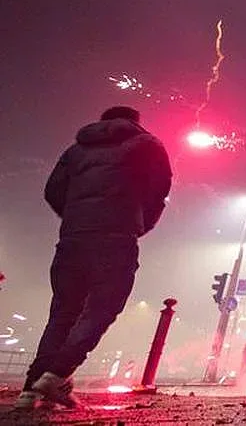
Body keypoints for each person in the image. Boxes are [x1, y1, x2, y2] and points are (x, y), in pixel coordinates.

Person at [15, 106, 172, 410]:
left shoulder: (75, 151)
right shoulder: (147, 145)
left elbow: (53, 191)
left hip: (72, 239)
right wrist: (139, 223)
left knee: (62, 314)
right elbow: (159, 190)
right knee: (103, 308)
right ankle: (57, 374)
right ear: (133, 123)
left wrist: (76, 216)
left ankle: (30, 392)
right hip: (116, 237)